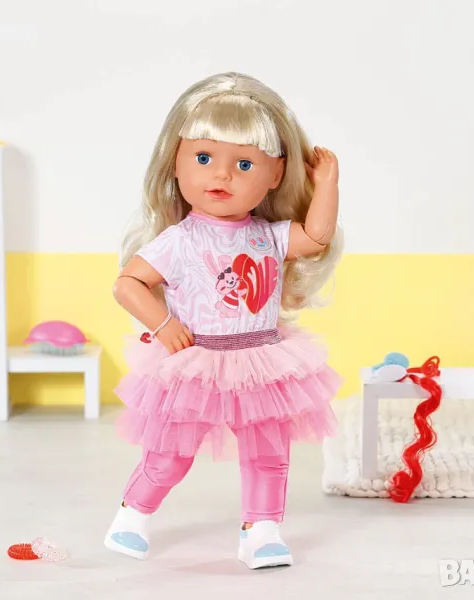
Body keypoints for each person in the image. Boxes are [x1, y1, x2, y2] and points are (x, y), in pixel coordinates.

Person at [104, 72, 343, 569]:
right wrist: (163, 323)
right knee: (171, 451)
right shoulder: (179, 240)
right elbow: (128, 284)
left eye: (244, 164)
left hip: (260, 358)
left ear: (275, 174)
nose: (223, 175)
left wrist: (327, 185)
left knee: (268, 452)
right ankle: (132, 515)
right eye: (204, 158)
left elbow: (316, 237)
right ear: (175, 162)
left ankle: (262, 530)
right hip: (197, 359)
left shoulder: (269, 235)